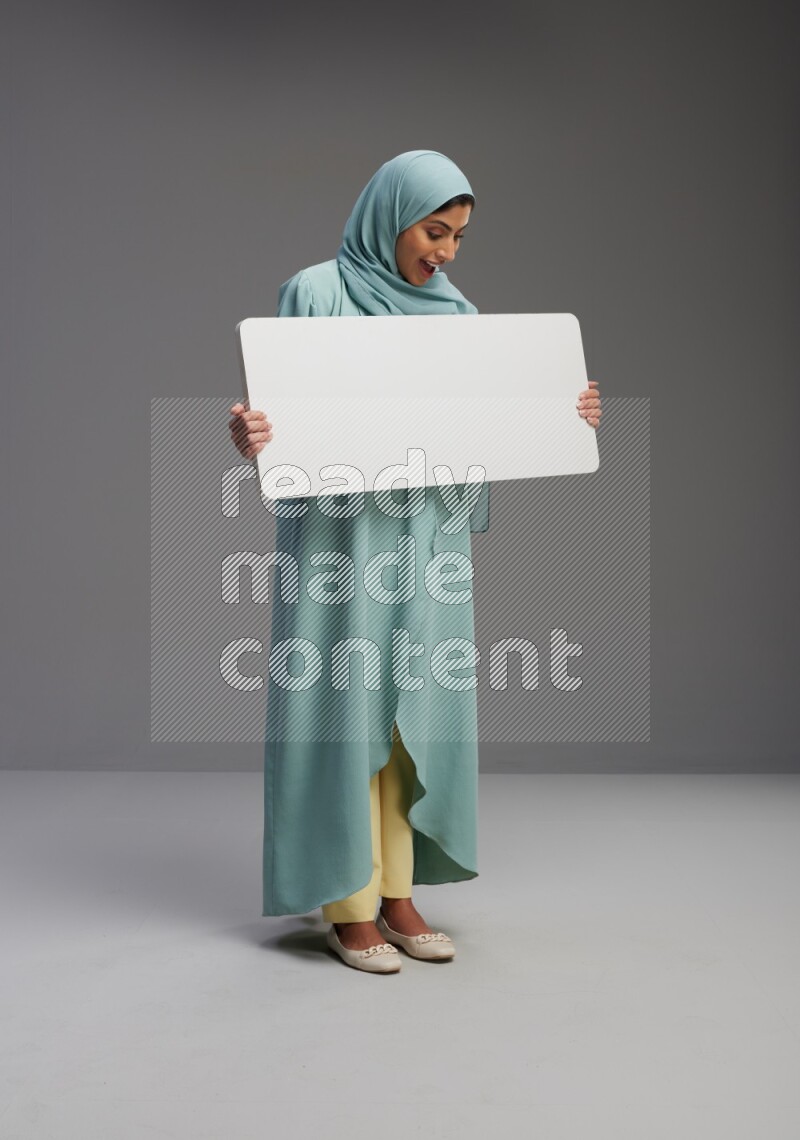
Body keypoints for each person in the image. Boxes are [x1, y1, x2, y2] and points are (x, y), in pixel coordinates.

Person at [229, 150, 602, 974]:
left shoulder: (460, 315)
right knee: (344, 707)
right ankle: (348, 902)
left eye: (461, 237)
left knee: (412, 717)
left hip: (427, 541)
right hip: (340, 543)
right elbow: (287, 417)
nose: (447, 252)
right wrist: (256, 437)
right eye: (436, 231)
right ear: (389, 215)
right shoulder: (315, 292)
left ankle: (398, 892)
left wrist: (563, 413)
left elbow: (485, 432)